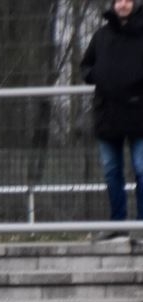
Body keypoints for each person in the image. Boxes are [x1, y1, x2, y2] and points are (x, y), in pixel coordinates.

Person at [82, 0, 143, 242]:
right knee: (111, 171)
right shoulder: (101, 36)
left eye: (128, 0)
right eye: (119, 0)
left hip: (139, 114)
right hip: (107, 114)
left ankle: (141, 224)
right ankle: (118, 223)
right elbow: (86, 66)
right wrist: (98, 75)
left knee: (142, 169)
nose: (123, 4)